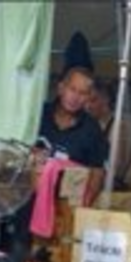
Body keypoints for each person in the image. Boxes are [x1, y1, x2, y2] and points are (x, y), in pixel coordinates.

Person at [36, 67, 109, 206]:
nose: (75, 97)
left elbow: (97, 173)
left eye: (82, 93)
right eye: (72, 89)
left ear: (88, 97)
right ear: (61, 88)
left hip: (66, 205)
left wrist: (80, 209)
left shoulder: (92, 129)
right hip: (30, 201)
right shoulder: (39, 115)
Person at [86, 79, 131, 191]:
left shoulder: (119, 127)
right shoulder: (94, 125)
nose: (88, 106)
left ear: (106, 100)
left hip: (114, 192)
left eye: (93, 101)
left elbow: (117, 169)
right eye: (86, 101)